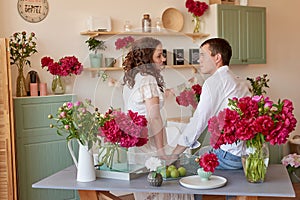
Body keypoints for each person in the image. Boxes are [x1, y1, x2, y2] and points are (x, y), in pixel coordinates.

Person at [122, 37, 194, 200]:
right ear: (147, 58)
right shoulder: (148, 80)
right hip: (151, 143)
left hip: (136, 144)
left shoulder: (131, 79)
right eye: (159, 56)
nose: (163, 60)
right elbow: (154, 118)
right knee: (160, 190)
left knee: (145, 190)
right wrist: (161, 151)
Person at [172, 38, 251, 170]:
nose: (199, 60)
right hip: (246, 155)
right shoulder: (239, 81)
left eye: (203, 55)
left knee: (185, 167)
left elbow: (198, 121)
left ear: (217, 57)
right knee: (203, 151)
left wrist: (173, 155)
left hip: (228, 156)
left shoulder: (214, 82)